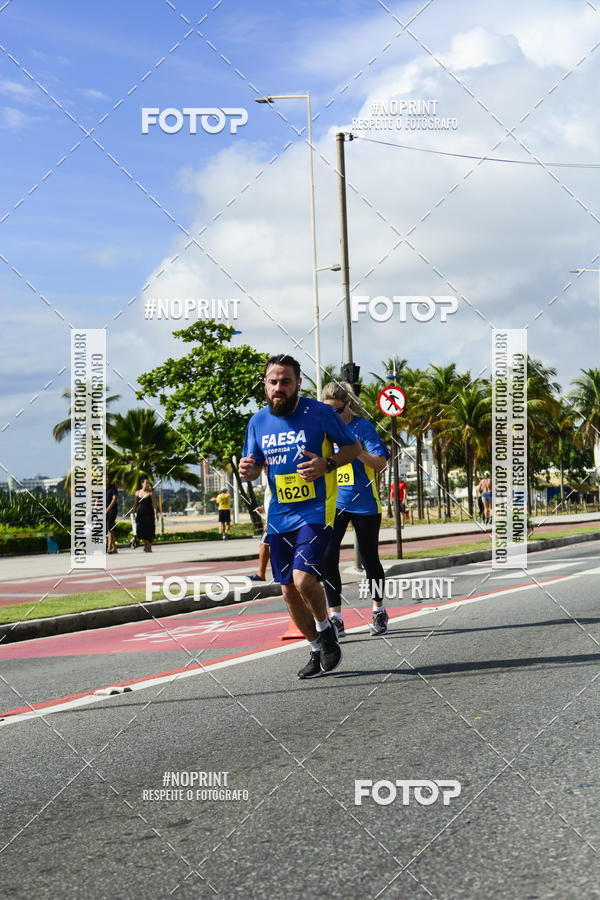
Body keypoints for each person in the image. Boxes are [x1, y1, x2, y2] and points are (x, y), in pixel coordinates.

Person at [239, 354, 360, 679]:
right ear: (265, 384)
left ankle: (325, 628)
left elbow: (353, 449)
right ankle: (316, 648)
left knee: (303, 579)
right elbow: (254, 467)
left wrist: (327, 464)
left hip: (316, 510)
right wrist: (248, 470)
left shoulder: (319, 413)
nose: (278, 388)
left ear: (298, 383)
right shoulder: (257, 422)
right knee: (288, 590)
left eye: (285, 382)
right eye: (273, 382)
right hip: (279, 515)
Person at [321, 382, 391, 637]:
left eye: (338, 411)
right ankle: (336, 618)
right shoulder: (324, 430)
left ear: (348, 404)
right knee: (328, 556)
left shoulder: (363, 428)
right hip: (335, 503)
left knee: (369, 558)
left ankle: (379, 610)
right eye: (328, 412)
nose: (333, 416)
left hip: (365, 504)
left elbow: (381, 463)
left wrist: (356, 450)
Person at [133, 476, 158, 552]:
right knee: (140, 531)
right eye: (146, 483)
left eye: (148, 483)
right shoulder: (137, 493)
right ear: (142, 484)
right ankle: (145, 543)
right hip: (140, 514)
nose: (147, 485)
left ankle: (149, 546)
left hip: (149, 514)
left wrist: (155, 514)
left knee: (150, 530)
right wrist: (133, 513)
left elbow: (154, 505)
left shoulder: (151, 493)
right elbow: (135, 504)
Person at [105, 474, 119, 554]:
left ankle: (109, 547)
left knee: (109, 528)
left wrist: (108, 509)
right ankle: (115, 548)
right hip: (104, 511)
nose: (106, 480)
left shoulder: (113, 487)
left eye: (107, 478)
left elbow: (114, 499)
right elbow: (97, 500)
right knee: (109, 529)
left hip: (112, 510)